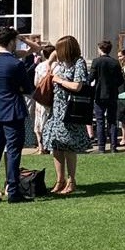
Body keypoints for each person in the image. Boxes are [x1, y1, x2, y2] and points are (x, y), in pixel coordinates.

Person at [0, 25, 34, 204]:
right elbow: (28, 88)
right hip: (13, 109)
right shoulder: (16, 63)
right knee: (13, 152)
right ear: (12, 42)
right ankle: (13, 191)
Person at [42, 35, 92, 194]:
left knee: (69, 146)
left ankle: (71, 180)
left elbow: (78, 85)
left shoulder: (79, 63)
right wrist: (50, 63)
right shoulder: (63, 63)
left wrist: (59, 80)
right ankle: (59, 180)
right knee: (56, 146)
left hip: (70, 111)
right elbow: (54, 54)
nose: (57, 52)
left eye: (60, 49)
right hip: (57, 111)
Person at [89, 39, 125, 153]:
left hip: (99, 94)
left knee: (100, 121)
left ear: (100, 49)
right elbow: (120, 80)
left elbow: (91, 78)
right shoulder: (115, 62)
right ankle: (114, 147)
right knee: (112, 121)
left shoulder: (96, 62)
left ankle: (101, 147)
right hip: (112, 94)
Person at [31, 43, 55, 154]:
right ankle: (50, 146)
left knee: (39, 122)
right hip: (53, 97)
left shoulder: (39, 67)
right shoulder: (57, 66)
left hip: (41, 97)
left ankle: (41, 147)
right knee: (51, 121)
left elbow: (36, 83)